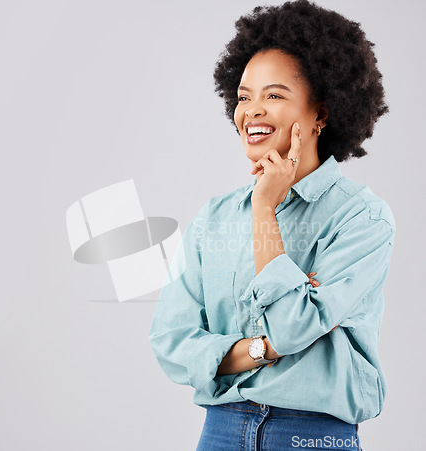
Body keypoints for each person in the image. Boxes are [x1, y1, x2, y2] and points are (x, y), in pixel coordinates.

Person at [148, 1, 395, 449]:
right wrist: (266, 348)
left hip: (313, 433)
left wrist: (264, 210)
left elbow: (290, 327)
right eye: (244, 97)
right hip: (221, 430)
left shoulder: (362, 219)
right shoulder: (216, 217)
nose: (252, 111)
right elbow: (171, 342)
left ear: (320, 113)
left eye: (274, 95)